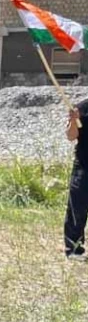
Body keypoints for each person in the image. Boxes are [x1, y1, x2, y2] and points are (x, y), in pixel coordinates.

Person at [65, 101, 88, 259]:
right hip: (84, 165)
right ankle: (74, 248)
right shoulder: (82, 108)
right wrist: (73, 120)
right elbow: (70, 136)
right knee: (77, 207)